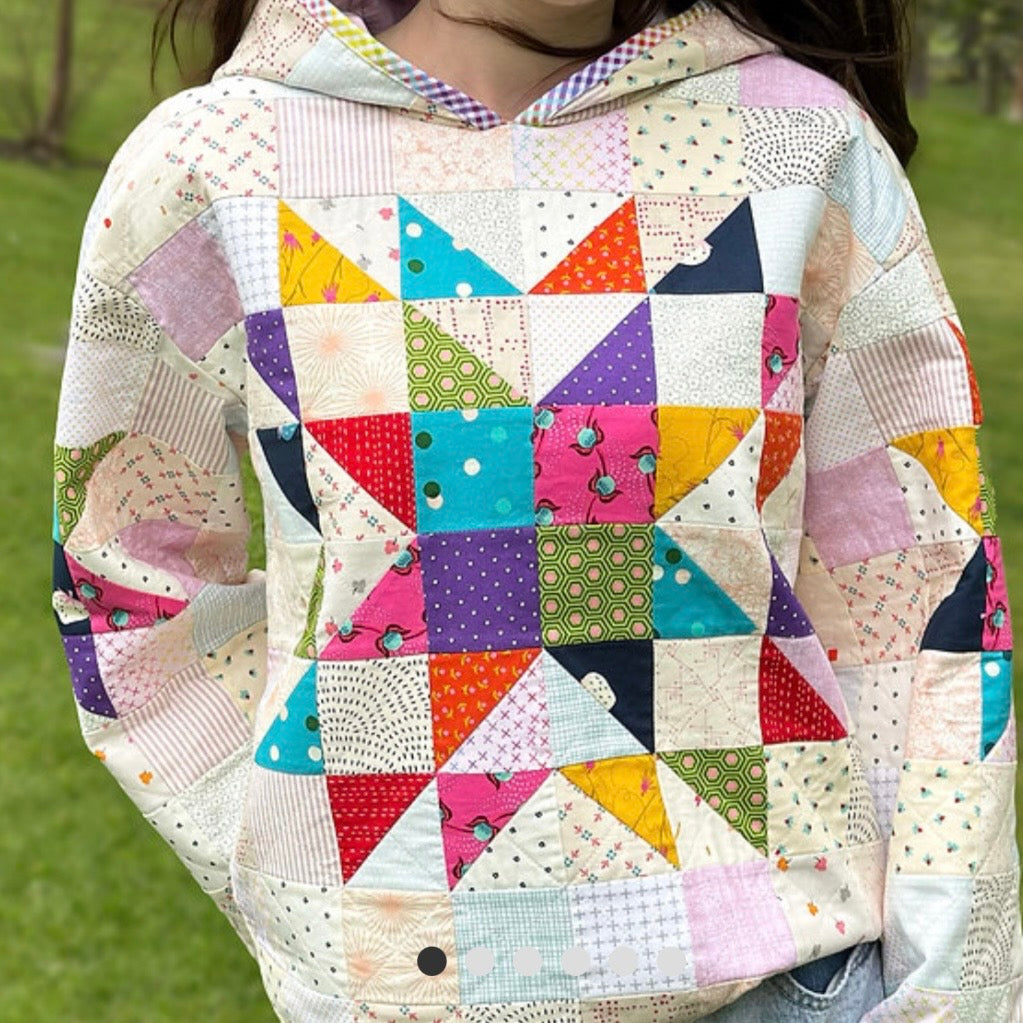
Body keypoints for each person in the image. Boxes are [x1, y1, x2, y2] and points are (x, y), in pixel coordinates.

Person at [49, 0, 1022, 1019]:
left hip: (783, 982)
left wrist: (955, 985)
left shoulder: (802, 144)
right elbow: (124, 585)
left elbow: (931, 594)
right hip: (392, 986)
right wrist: (291, 865)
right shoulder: (213, 163)